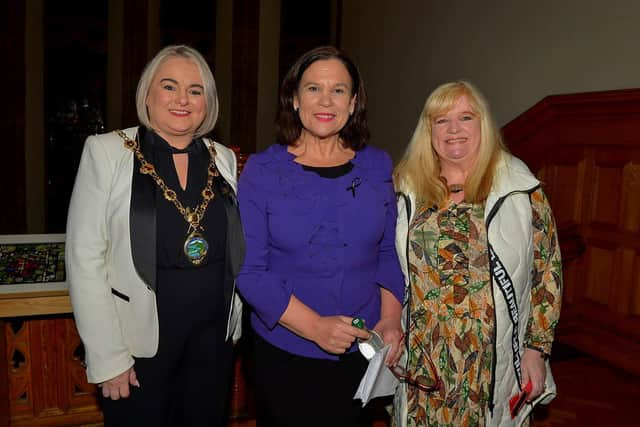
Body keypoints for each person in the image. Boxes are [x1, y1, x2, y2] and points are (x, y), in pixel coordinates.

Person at [65, 45, 244, 427]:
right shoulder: (107, 151)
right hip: (138, 345)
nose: (183, 99)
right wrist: (108, 356)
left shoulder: (223, 157)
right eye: (169, 86)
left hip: (213, 343)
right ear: (147, 94)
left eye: (195, 90)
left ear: (207, 102)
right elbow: (84, 260)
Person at [236, 45, 405, 427]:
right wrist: (316, 327)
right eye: (313, 89)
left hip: (363, 349)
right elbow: (250, 272)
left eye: (338, 90)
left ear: (354, 101)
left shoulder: (377, 164)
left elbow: (387, 253)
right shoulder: (263, 171)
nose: (325, 100)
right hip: (287, 350)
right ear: (294, 99)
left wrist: (391, 319)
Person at [392, 81, 562, 427]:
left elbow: (547, 273)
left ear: (482, 124)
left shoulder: (519, 187)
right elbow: (386, 266)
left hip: (490, 360)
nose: (453, 129)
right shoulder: (405, 186)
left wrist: (536, 350)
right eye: (441, 120)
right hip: (424, 358)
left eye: (465, 117)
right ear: (429, 131)